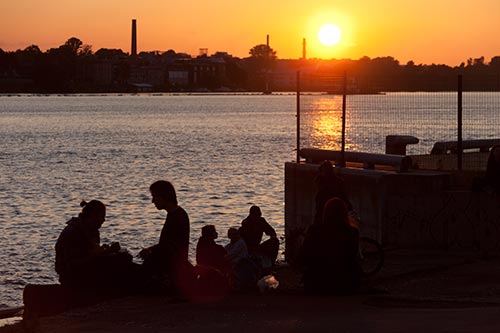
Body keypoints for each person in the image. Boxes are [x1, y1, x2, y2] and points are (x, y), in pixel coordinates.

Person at [55, 200, 136, 293]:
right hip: (72, 276)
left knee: (125, 258)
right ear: (92, 216)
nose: (103, 220)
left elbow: (93, 252)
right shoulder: (73, 232)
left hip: (86, 269)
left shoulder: (92, 230)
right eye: (102, 216)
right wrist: (99, 253)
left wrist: (107, 251)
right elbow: (72, 263)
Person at [139, 180, 193, 295]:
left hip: (172, 265)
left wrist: (151, 252)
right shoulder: (175, 215)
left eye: (154, 196)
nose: (153, 201)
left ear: (164, 196)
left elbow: (171, 247)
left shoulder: (177, 217)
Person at [301, 197, 361, 295]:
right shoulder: (352, 232)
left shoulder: (315, 230)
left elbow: (304, 255)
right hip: (345, 283)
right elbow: (352, 256)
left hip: (316, 282)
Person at [314, 160, 352, 224]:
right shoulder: (339, 182)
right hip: (338, 217)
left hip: (326, 218)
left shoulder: (322, 186)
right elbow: (345, 199)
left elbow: (319, 208)